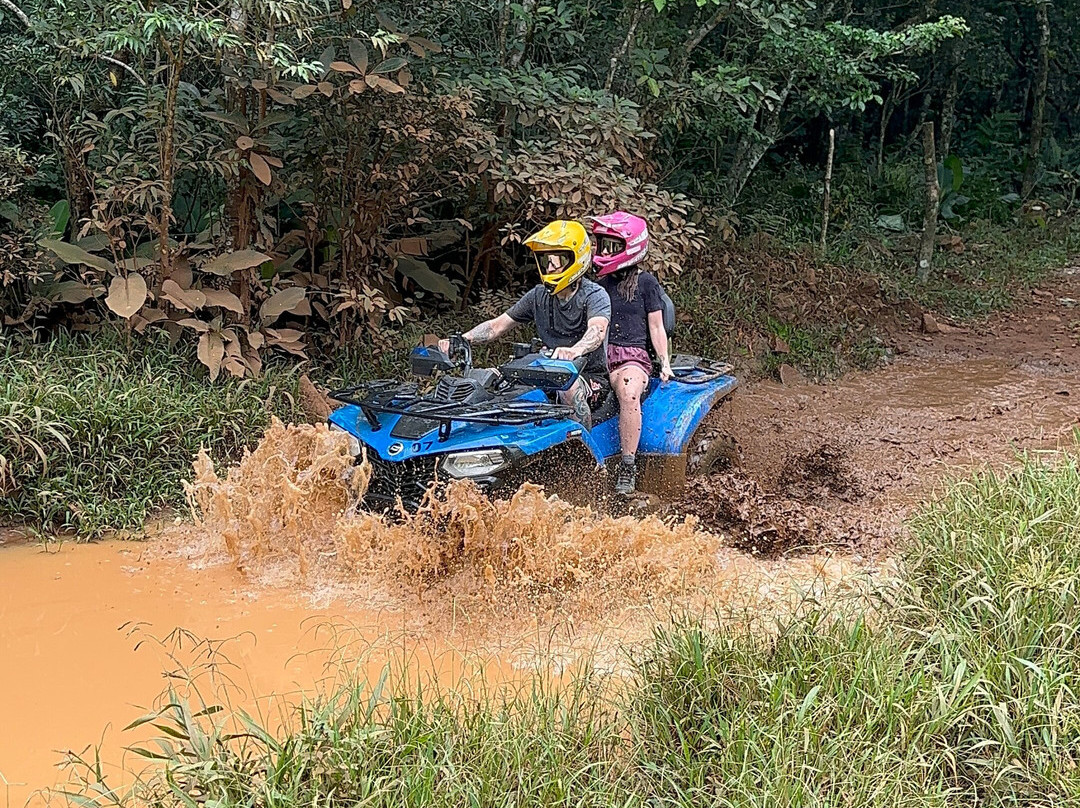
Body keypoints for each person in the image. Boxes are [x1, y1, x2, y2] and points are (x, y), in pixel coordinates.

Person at [439, 220, 611, 427]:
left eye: (559, 259)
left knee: (568, 389)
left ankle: (582, 453)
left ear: (577, 259)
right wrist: (462, 339)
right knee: (492, 380)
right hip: (543, 371)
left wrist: (575, 350)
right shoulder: (538, 295)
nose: (551, 265)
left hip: (587, 376)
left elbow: (597, 330)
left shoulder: (594, 295)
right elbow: (496, 326)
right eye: (547, 259)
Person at [591, 211, 672, 495]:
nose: (603, 251)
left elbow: (656, 326)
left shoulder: (646, 283)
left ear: (631, 246)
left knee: (628, 393)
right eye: (602, 244)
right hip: (599, 357)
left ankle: (628, 466)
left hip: (632, 358)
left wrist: (664, 362)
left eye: (611, 245)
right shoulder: (597, 287)